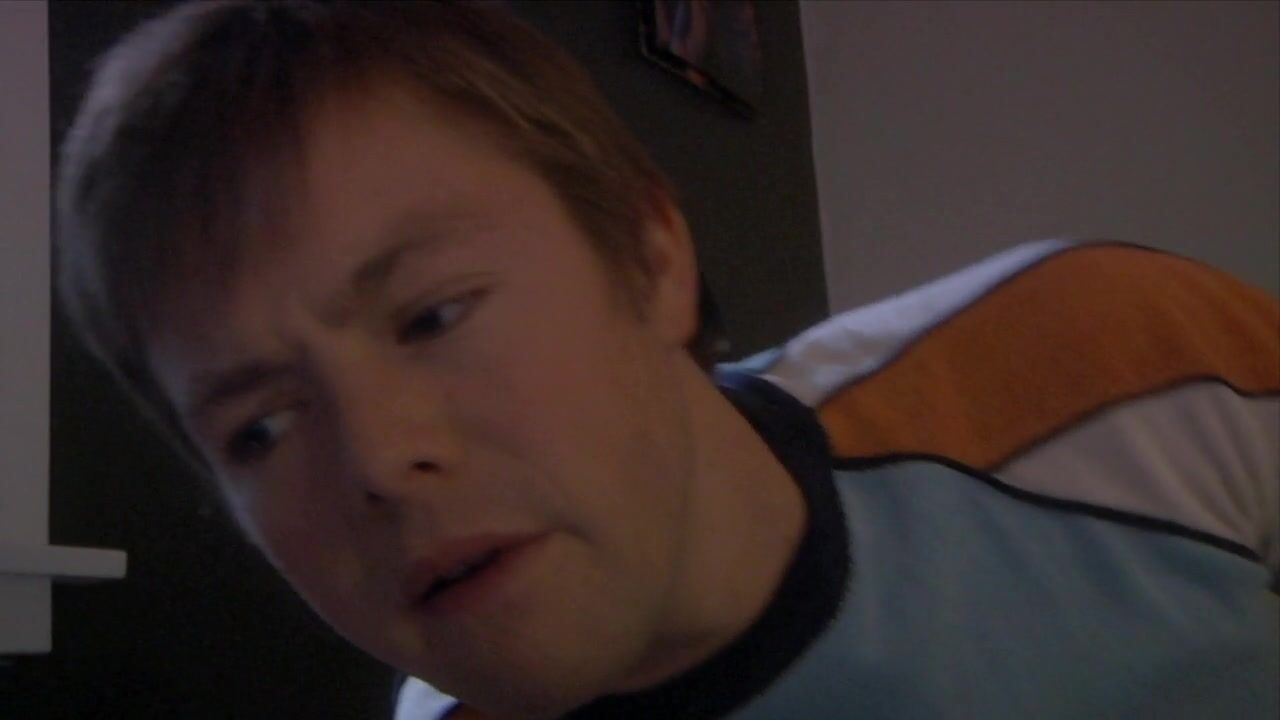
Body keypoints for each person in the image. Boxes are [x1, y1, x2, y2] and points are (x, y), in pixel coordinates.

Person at [55, 2, 1278, 719]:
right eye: (260, 429)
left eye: (431, 317)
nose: (375, 461)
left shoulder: (1115, 364)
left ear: (647, 252)